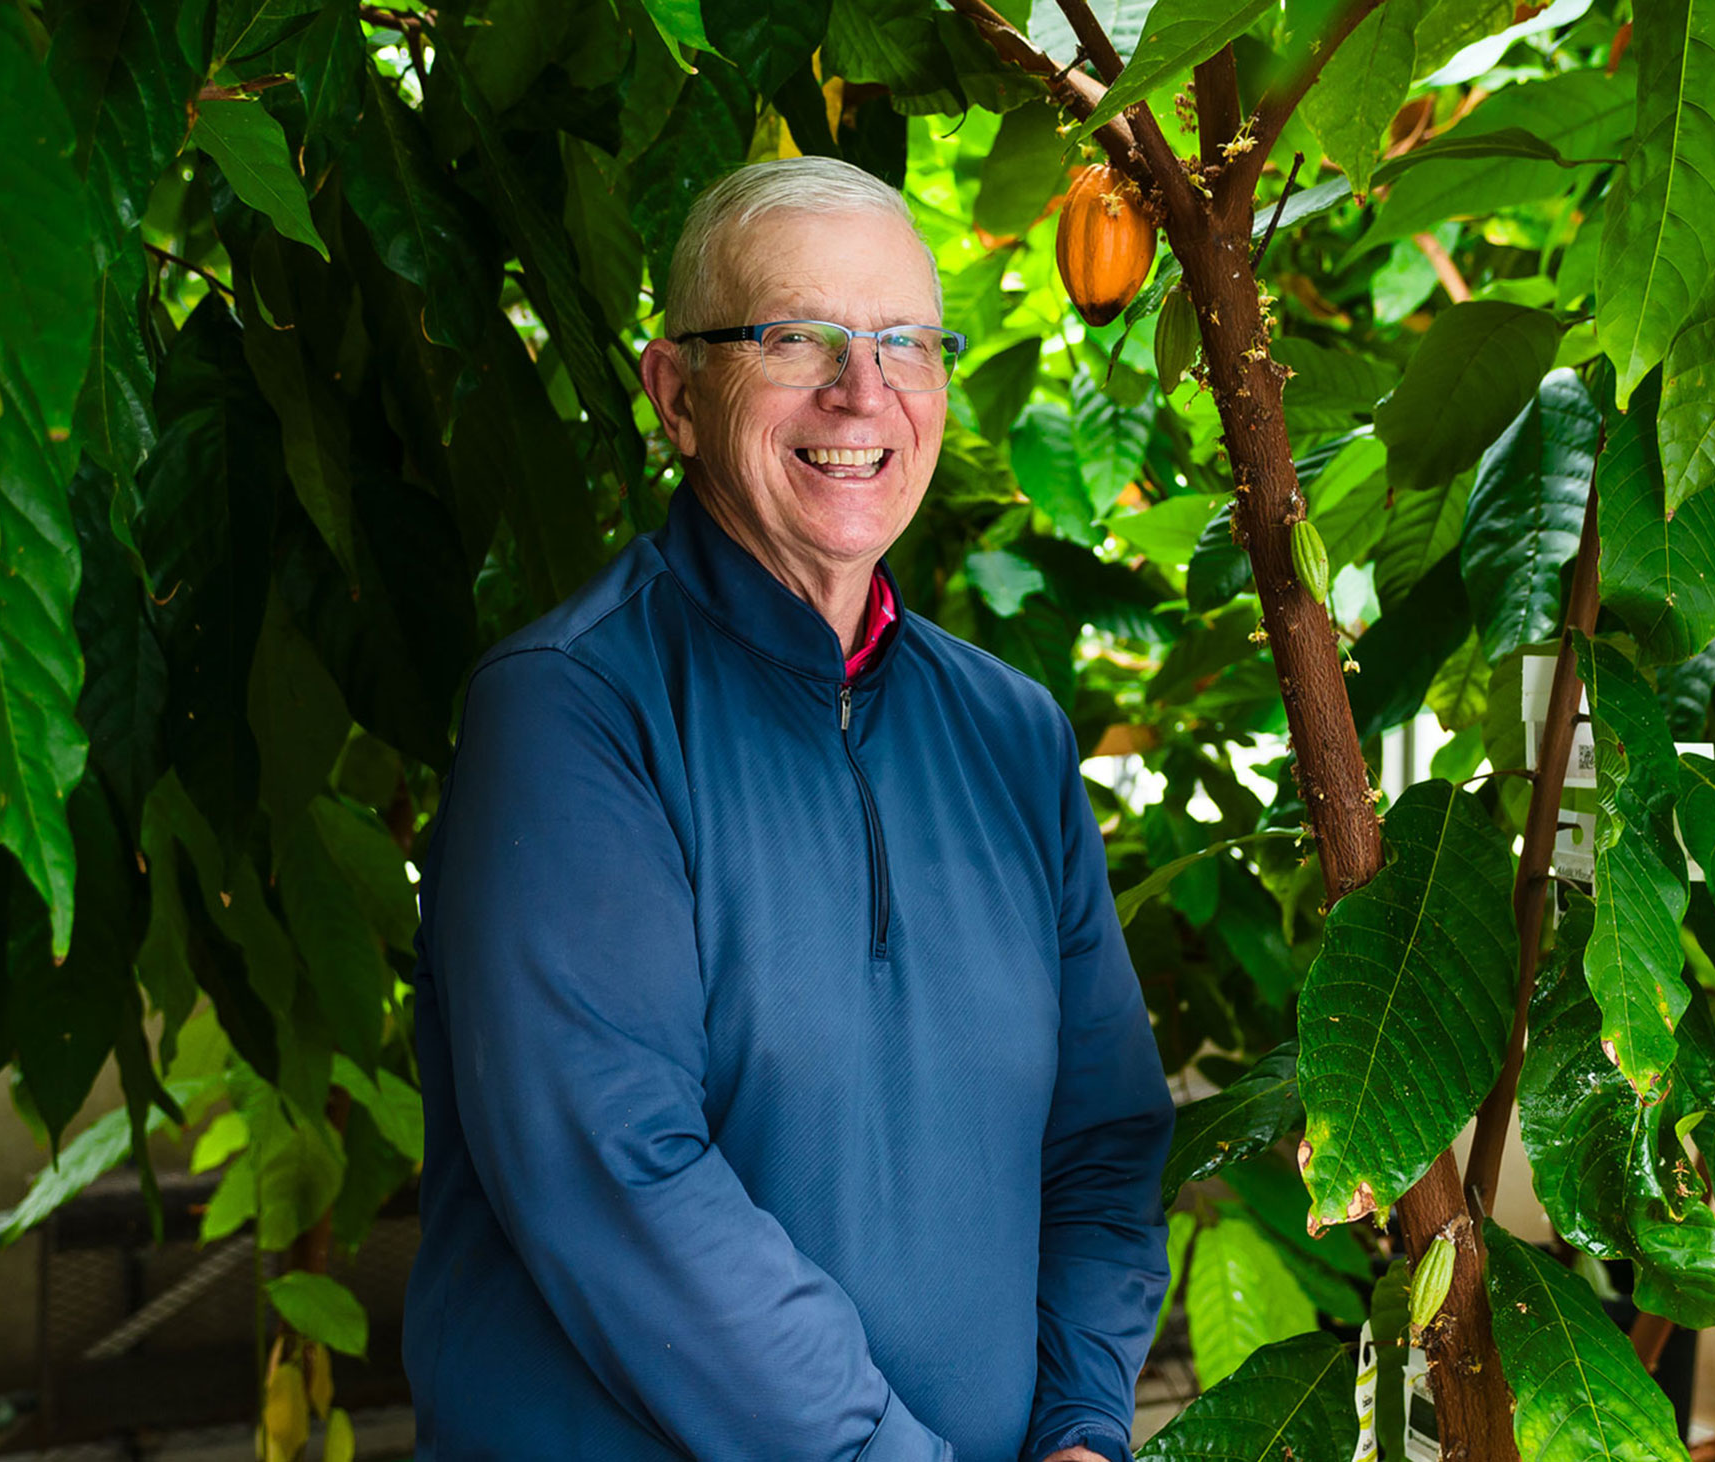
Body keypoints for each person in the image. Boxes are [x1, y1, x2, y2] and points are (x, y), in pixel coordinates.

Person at [400, 156, 1176, 1462]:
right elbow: (619, 1176)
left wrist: (1083, 1426)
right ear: (676, 395)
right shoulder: (570, 710)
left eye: (904, 343)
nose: (861, 389)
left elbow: (1099, 1141)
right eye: (795, 336)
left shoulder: (1011, 734)